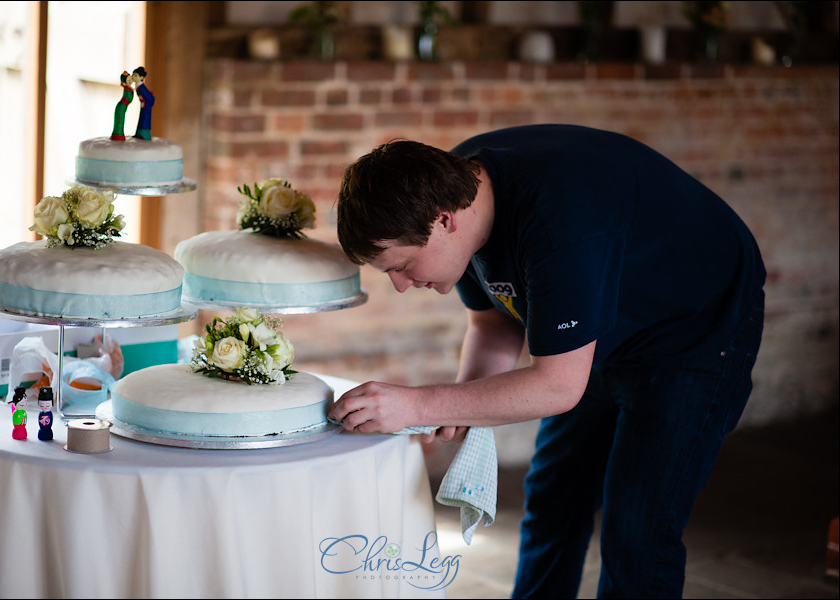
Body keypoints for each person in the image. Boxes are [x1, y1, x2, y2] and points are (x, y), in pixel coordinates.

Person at [328, 124, 766, 598]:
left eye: (400, 266)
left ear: (445, 220)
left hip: (696, 328)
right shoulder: (453, 190)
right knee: (554, 501)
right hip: (600, 332)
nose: (399, 285)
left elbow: (558, 386)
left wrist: (421, 406)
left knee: (636, 529)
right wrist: (457, 405)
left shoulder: (559, 221)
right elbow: (494, 322)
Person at [110, 70, 135, 141]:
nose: (130, 81)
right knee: (119, 120)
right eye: (128, 80)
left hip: (123, 106)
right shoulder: (127, 88)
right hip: (121, 106)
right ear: (124, 83)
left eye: (131, 79)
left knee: (121, 120)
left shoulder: (129, 88)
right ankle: (117, 134)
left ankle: (118, 134)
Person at [132, 66, 154, 140]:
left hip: (146, 105)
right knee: (141, 118)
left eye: (135, 75)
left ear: (141, 77)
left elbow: (149, 98)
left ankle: (145, 134)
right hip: (143, 105)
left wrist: (145, 104)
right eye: (133, 75)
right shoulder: (138, 86)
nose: (133, 77)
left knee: (145, 119)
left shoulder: (142, 87)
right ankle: (139, 133)